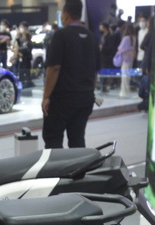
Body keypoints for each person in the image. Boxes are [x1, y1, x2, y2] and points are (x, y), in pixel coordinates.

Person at [42, 0, 99, 148]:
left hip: (62, 99)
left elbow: (54, 68)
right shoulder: (92, 37)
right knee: (77, 139)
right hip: (85, 98)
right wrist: (89, 92)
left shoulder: (61, 36)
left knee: (53, 139)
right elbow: (95, 72)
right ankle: (79, 164)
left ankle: (56, 165)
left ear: (66, 14)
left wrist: (46, 96)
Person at [115, 21, 135, 98]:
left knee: (124, 77)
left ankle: (124, 92)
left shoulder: (126, 38)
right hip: (130, 59)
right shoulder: (134, 37)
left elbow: (121, 48)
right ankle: (127, 91)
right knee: (128, 76)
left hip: (124, 59)